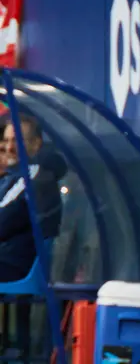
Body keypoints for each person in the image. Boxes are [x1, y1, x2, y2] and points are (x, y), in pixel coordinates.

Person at [0, 115, 67, 282]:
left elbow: (3, 220)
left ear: (36, 144)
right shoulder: (13, 177)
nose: (9, 147)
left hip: (15, 263)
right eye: (6, 141)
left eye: (16, 141)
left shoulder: (33, 176)